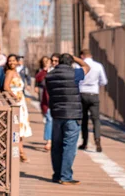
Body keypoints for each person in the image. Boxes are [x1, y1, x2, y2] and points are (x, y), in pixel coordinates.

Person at [45, 53, 91, 185]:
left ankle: (57, 174)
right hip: (72, 115)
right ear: (70, 63)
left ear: (58, 62)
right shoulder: (75, 73)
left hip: (57, 114)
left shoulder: (49, 75)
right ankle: (65, 177)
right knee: (69, 146)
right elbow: (87, 66)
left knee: (56, 146)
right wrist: (75, 58)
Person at [3, 54, 33, 162]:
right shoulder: (10, 72)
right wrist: (13, 96)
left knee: (21, 128)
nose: (11, 63)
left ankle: (20, 151)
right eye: (9, 61)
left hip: (21, 103)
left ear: (17, 62)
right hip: (15, 101)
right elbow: (6, 87)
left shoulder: (17, 72)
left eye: (13, 61)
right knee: (17, 127)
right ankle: (21, 152)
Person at [78, 49, 108, 152]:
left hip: (82, 93)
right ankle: (97, 140)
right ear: (90, 55)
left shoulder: (79, 66)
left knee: (84, 120)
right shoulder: (98, 66)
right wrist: (96, 84)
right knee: (96, 119)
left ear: (82, 56)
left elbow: (76, 79)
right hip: (94, 94)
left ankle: (84, 142)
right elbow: (104, 81)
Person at [35, 56, 52, 151]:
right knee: (49, 118)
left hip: (58, 99)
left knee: (52, 119)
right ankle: (49, 140)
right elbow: (38, 78)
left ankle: (52, 140)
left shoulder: (56, 70)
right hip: (46, 96)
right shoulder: (42, 71)